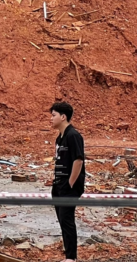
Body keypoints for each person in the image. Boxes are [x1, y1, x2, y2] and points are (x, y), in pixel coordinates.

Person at [49, 101, 85, 262]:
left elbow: (78, 160)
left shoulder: (73, 136)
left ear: (63, 117)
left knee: (67, 220)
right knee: (62, 220)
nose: (51, 119)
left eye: (54, 115)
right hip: (58, 185)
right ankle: (68, 254)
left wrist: (70, 183)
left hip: (68, 187)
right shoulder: (59, 138)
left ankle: (72, 257)